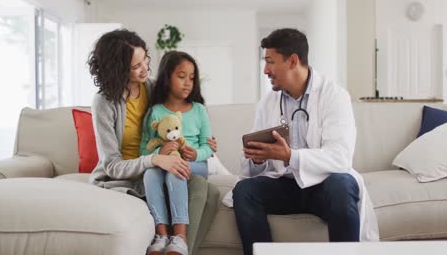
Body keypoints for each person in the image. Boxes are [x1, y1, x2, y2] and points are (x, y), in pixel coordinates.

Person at [230, 28, 379, 255]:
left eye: (270, 62)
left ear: (292, 61)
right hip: (285, 185)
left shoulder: (335, 96)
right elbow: (254, 165)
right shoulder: (268, 102)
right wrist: (259, 158)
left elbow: (340, 157)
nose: (265, 70)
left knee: (342, 184)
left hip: (325, 185)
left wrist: (290, 156)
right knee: (244, 191)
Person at [87, 29, 219, 255]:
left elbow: (184, 118)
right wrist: (155, 159)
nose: (145, 68)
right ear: (118, 70)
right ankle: (175, 243)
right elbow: (111, 166)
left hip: (163, 167)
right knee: (198, 189)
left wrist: (203, 148)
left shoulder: (153, 88)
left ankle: (179, 246)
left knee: (211, 192)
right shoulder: (103, 103)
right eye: (136, 66)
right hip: (127, 177)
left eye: (145, 59)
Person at [140, 51, 213, 255]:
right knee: (150, 173)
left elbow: (207, 148)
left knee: (175, 168)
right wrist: (160, 151)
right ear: (167, 78)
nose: (187, 83)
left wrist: (195, 154)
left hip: (195, 165)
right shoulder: (155, 112)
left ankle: (179, 236)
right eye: (181, 77)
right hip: (163, 162)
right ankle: (161, 234)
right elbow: (143, 150)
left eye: (191, 78)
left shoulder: (199, 110)